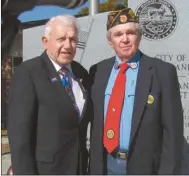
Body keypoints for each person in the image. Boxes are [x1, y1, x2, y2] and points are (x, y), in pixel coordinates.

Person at [88, 5, 183, 175]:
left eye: (130, 33)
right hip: (104, 165)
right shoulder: (97, 71)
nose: (125, 39)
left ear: (139, 36)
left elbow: (173, 132)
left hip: (145, 167)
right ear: (110, 41)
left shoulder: (162, 71)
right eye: (118, 34)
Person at [7, 15, 89, 175]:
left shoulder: (81, 72)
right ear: (45, 42)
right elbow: (19, 136)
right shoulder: (29, 73)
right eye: (61, 39)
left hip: (78, 168)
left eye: (72, 39)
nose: (68, 45)